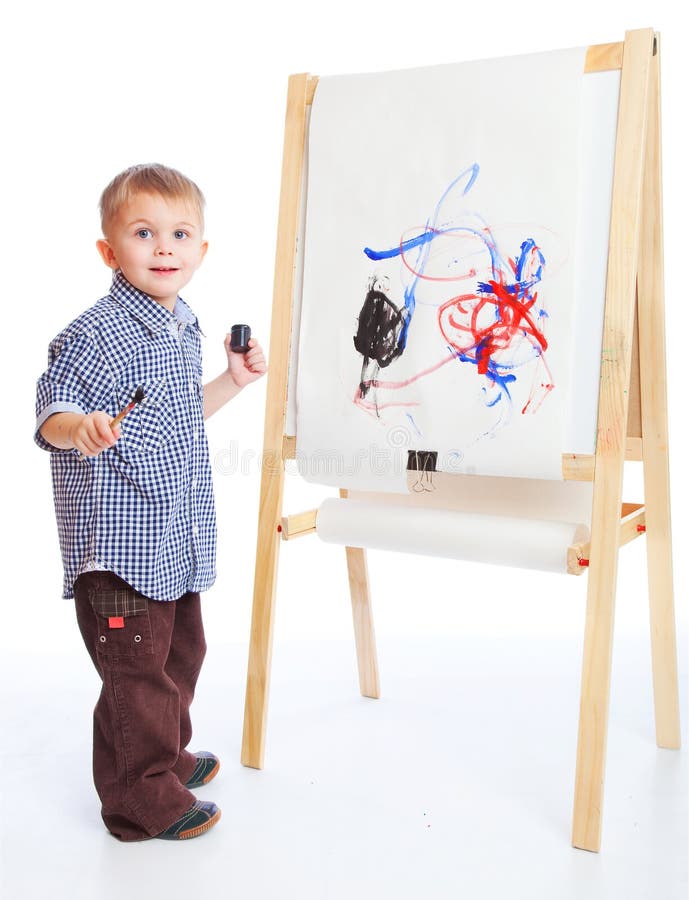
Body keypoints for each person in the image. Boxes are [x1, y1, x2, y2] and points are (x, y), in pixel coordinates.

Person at [34, 163, 267, 841]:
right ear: (110, 250)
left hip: (171, 537)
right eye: (144, 232)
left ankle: (161, 756)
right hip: (119, 550)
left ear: (200, 250)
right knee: (135, 673)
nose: (164, 247)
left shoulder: (180, 323)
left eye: (179, 233)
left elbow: (179, 418)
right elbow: (54, 412)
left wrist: (232, 379)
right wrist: (79, 428)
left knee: (176, 658)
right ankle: (138, 797)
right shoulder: (94, 334)